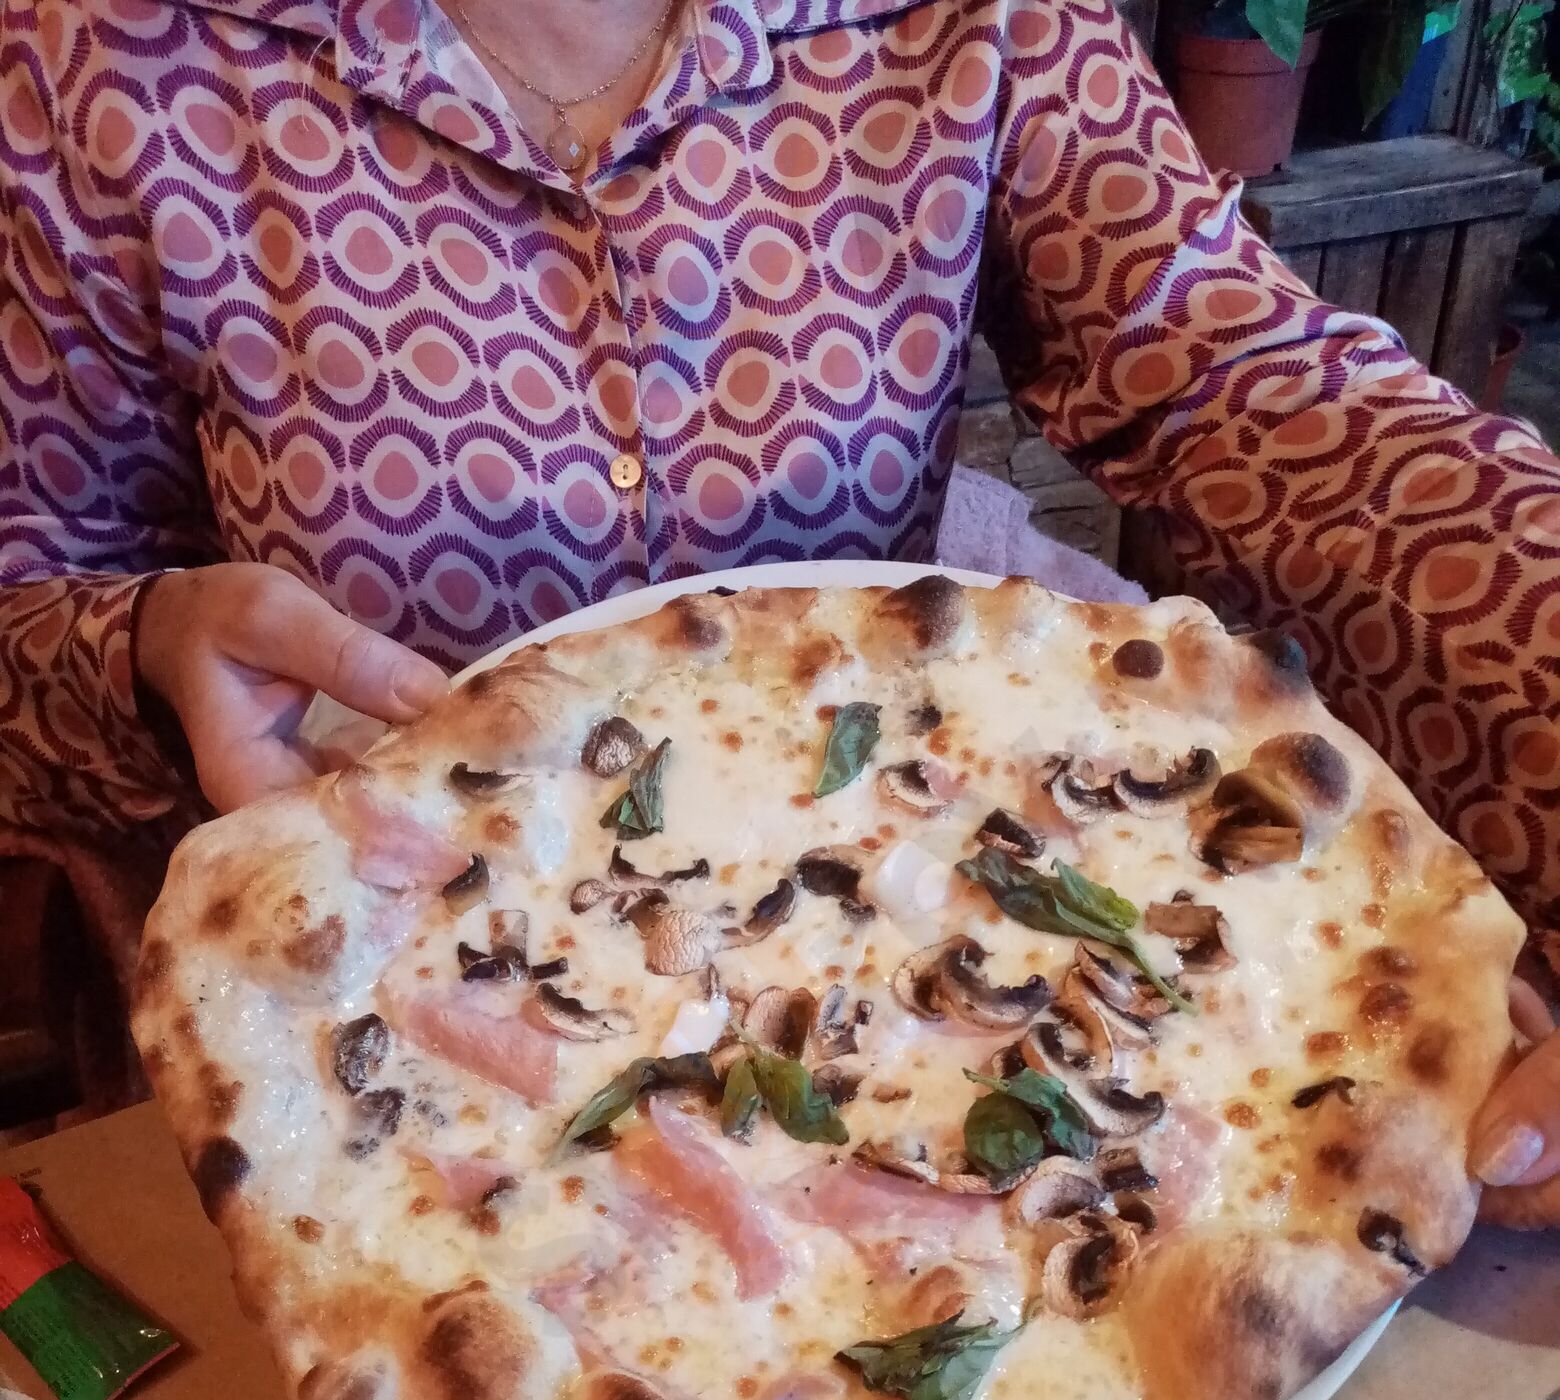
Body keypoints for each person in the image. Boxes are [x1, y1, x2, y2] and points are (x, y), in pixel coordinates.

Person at [2, 0, 1559, 1212]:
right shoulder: (103, 53)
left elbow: (1255, 390)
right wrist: (138, 653)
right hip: (406, 1080)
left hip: (909, 1009)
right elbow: (28, 576)